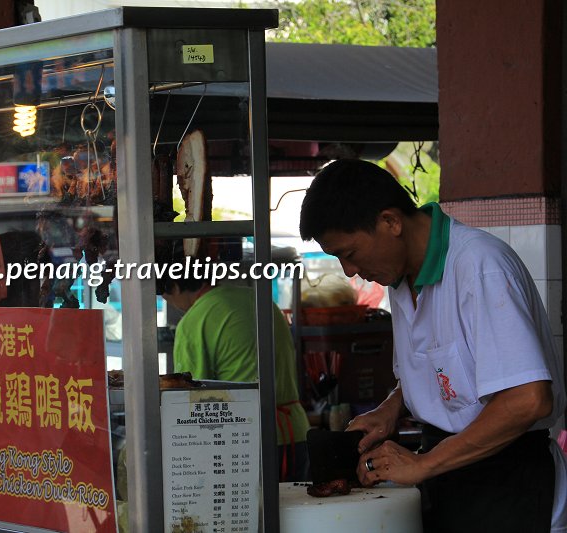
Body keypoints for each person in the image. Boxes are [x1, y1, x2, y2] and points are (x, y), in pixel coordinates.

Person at [298, 158, 566, 532]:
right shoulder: (400, 280)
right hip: (449, 480)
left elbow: (529, 399)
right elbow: (442, 371)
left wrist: (423, 463)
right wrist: (392, 408)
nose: (348, 271)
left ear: (390, 222)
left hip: (509, 481)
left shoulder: (480, 265)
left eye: (350, 253)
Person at [157, 268, 311, 482]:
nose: (172, 304)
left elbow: (191, 400)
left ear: (174, 287)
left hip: (245, 440)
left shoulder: (194, 321)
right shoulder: (258, 299)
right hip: (295, 432)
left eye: (167, 297)